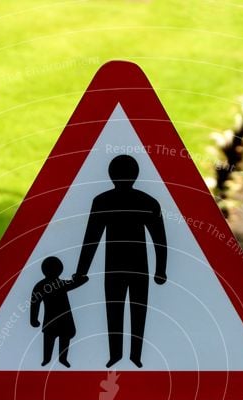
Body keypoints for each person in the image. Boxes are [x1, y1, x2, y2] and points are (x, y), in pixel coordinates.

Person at [75, 154, 167, 368]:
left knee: (119, 310)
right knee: (130, 310)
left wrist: (82, 272)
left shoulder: (106, 201)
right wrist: (160, 269)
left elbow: (91, 240)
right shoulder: (145, 201)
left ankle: (128, 355)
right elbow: (93, 237)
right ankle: (125, 355)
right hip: (131, 267)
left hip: (120, 267)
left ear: (111, 175)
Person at [30, 256, 87, 368]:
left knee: (61, 338)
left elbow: (34, 303)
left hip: (61, 319)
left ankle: (61, 359)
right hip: (54, 318)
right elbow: (35, 303)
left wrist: (34, 319)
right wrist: (33, 319)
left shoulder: (51, 284)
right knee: (50, 339)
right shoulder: (46, 285)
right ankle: (48, 359)